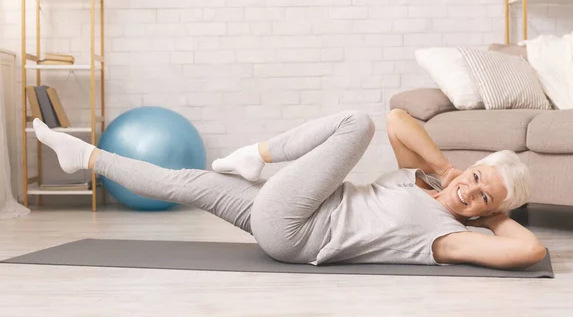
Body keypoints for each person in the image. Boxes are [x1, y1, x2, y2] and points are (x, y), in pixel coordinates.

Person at [32, 109, 546, 269]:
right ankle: (85, 156)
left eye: (484, 196)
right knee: (184, 182)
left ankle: (256, 157)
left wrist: (492, 215)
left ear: (487, 212)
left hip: (296, 229)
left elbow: (531, 248)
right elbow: (399, 121)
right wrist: (447, 168)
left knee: (356, 124)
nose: (470, 193)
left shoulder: (448, 236)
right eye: (477, 178)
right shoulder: (424, 179)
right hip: (289, 215)